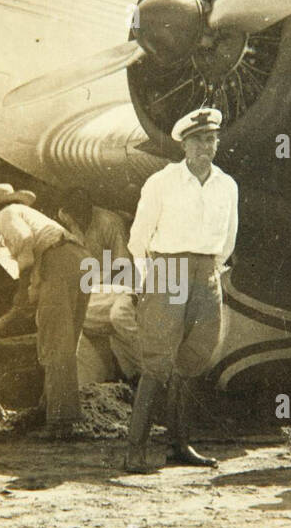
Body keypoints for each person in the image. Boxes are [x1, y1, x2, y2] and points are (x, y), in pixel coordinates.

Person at [123, 107, 238, 473]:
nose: (206, 146)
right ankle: (135, 451)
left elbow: (229, 237)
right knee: (157, 360)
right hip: (167, 269)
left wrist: (211, 271)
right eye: (198, 140)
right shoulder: (161, 182)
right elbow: (139, 236)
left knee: (197, 355)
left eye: (211, 139)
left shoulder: (227, 185)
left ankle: (179, 445)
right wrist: (147, 281)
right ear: (184, 144)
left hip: (206, 271)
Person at [0, 183, 90, 436]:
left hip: (60, 262)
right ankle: (50, 407)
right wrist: (28, 296)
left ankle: (61, 420)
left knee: (56, 342)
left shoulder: (6, 214)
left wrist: (21, 289)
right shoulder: (34, 218)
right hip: (81, 260)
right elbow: (40, 267)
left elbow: (25, 243)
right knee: (66, 342)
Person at [57, 186, 140, 382]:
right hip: (94, 290)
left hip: (122, 286)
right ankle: (98, 381)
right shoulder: (68, 219)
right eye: (74, 215)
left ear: (89, 207)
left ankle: (145, 373)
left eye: (82, 213)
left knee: (121, 326)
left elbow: (124, 266)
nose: (78, 220)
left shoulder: (109, 222)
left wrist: (98, 284)